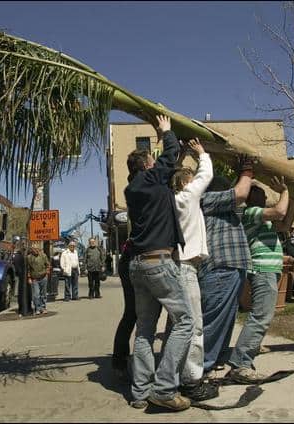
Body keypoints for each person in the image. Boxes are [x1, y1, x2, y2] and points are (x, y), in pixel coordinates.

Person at [124, 114, 192, 412]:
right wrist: (165, 131)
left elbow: (171, 165)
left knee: (145, 330)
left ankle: (140, 393)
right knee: (186, 322)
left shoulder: (133, 189)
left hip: (138, 265)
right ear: (148, 165)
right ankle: (165, 388)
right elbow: (170, 156)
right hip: (159, 263)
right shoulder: (151, 177)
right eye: (153, 161)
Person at [227, 177, 294, 384]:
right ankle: (241, 364)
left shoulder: (262, 218)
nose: (265, 195)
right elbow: (279, 212)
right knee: (261, 316)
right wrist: (284, 191)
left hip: (268, 270)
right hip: (262, 270)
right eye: (260, 193)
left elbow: (285, 223)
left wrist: (293, 197)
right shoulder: (250, 212)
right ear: (251, 197)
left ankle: (248, 350)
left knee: (262, 315)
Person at [168, 138, 217, 401]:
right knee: (194, 326)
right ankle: (192, 380)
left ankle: (171, 377)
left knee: (176, 326)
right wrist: (201, 154)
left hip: (175, 265)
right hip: (187, 267)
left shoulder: (170, 200)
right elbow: (206, 175)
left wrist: (178, 157)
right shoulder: (187, 197)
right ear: (186, 183)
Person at [198, 156, 254, 376]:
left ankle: (216, 361)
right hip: (220, 268)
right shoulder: (207, 198)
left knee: (226, 320)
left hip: (232, 268)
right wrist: (247, 170)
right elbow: (241, 192)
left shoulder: (224, 207)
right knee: (214, 322)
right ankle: (199, 369)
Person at [112, 238, 135, 381]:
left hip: (132, 260)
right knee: (133, 314)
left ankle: (121, 362)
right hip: (132, 261)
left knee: (133, 315)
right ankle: (120, 362)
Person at [26, 243, 50, 315]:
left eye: (37, 249)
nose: (36, 250)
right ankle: (37, 308)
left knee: (43, 294)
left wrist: (47, 273)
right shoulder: (29, 257)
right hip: (35, 279)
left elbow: (48, 265)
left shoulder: (43, 255)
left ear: (39, 249)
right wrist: (29, 278)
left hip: (43, 277)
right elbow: (28, 269)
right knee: (36, 295)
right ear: (32, 250)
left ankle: (43, 307)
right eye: (34, 249)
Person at [14, 245, 32, 317]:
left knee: (22, 293)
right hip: (24, 277)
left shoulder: (19, 256)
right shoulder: (22, 257)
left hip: (23, 277)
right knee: (26, 293)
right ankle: (26, 308)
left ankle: (23, 308)